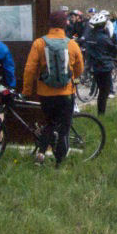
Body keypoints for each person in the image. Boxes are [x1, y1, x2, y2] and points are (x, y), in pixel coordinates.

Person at [22, 10, 83, 165]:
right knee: (64, 128)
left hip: (45, 93)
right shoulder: (72, 44)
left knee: (50, 123)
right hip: (66, 93)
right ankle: (59, 163)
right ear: (64, 24)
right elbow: (79, 68)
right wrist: (73, 77)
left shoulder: (39, 43)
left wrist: (27, 90)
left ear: (50, 24)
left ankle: (41, 153)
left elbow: (29, 69)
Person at [84, 11, 117, 114]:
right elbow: (114, 48)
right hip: (104, 67)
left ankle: (100, 112)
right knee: (104, 92)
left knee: (100, 90)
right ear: (102, 25)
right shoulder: (104, 38)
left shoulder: (90, 37)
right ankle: (101, 114)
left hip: (94, 66)